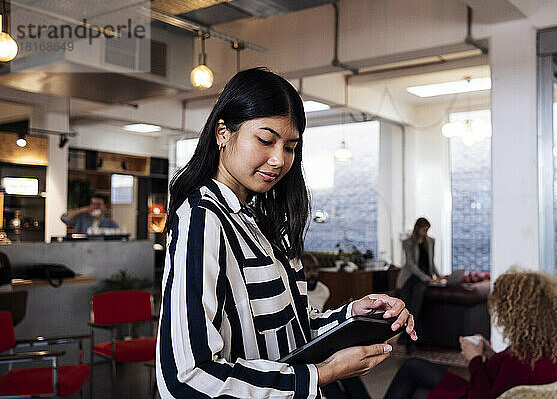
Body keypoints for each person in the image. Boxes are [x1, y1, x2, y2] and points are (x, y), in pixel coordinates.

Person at [156, 68, 418, 398]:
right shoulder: (202, 219)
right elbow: (186, 377)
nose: (279, 160)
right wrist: (324, 373)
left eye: (290, 147)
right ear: (223, 132)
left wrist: (353, 316)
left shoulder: (260, 220)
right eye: (265, 140)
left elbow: (292, 328)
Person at [383, 268, 557, 399]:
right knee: (414, 372)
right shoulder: (544, 354)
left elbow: (481, 394)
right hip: (480, 388)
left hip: (474, 393)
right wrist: (489, 352)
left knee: (413, 374)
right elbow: (503, 372)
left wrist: (475, 358)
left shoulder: (517, 360)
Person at [301, 253, 372, 399]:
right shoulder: (297, 293)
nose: (312, 273)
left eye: (315, 269)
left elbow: (319, 315)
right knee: (330, 381)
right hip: (306, 350)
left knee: (349, 369)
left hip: (321, 342)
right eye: (307, 269)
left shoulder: (323, 289)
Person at [395, 217, 442, 354]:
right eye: (424, 229)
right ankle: (406, 334)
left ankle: (408, 338)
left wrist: (437, 276)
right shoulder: (408, 243)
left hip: (424, 279)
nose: (426, 232)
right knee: (406, 305)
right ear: (418, 228)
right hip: (410, 277)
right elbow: (411, 265)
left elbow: (431, 261)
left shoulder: (431, 242)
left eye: (427, 229)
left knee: (415, 305)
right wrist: (427, 278)